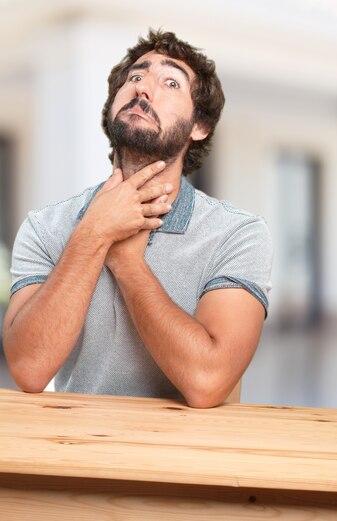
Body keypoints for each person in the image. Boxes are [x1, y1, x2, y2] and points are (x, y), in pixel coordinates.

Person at [2, 29, 272, 408]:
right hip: (76, 457)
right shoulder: (46, 226)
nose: (143, 90)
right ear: (113, 104)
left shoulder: (237, 234)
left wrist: (126, 261)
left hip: (190, 462)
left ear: (199, 126)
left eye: (171, 82)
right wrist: (94, 233)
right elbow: (29, 369)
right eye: (135, 77)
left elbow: (207, 381)